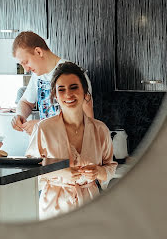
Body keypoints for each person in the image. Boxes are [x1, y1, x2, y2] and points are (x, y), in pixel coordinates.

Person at [26, 62, 117, 220]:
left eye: (74, 87)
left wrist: (98, 171)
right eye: (61, 89)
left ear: (84, 92)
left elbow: (110, 168)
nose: (68, 94)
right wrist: (59, 173)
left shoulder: (100, 130)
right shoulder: (43, 129)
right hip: (54, 210)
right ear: (55, 95)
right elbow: (28, 173)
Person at [11, 31, 94, 135]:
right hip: (49, 147)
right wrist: (20, 115)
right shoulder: (38, 75)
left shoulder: (71, 74)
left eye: (26, 62)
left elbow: (86, 122)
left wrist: (42, 127)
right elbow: (26, 102)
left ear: (38, 52)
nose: (26, 69)